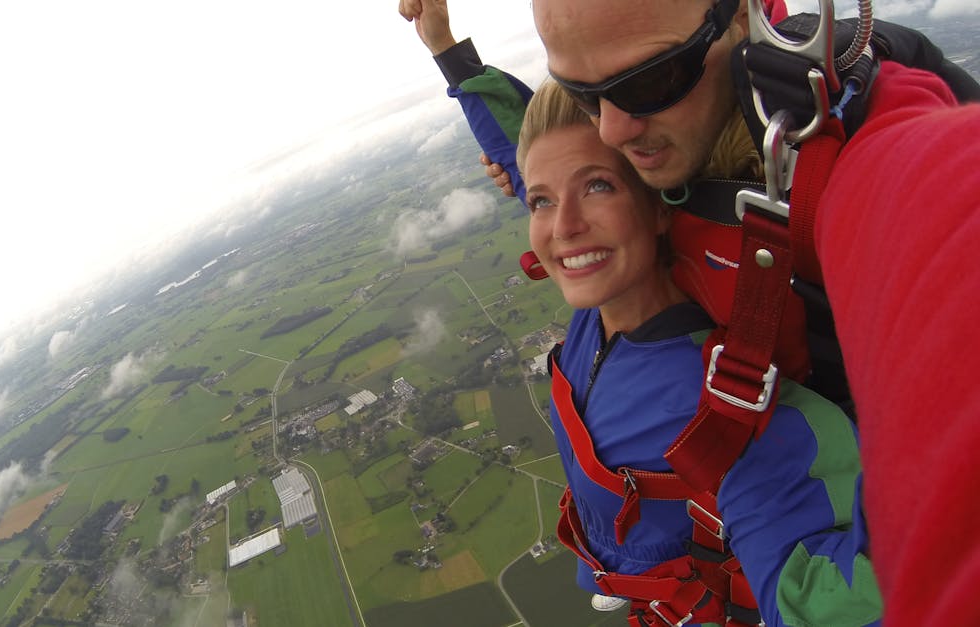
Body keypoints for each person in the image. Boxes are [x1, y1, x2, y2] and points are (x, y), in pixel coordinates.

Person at [407, 0, 980, 622]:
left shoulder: (721, 395)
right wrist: (448, 52)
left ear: (657, 208)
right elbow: (543, 160)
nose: (612, 129)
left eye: (650, 79)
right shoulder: (612, 240)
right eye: (584, 94)